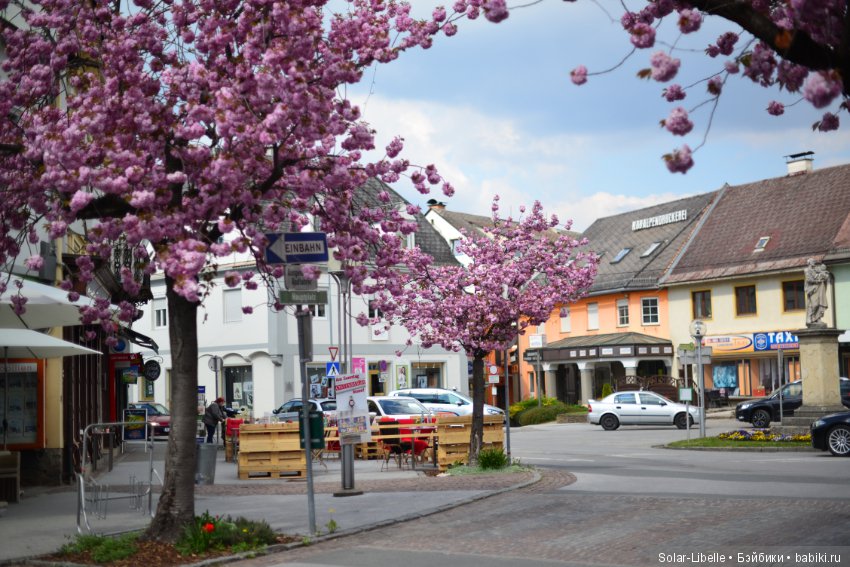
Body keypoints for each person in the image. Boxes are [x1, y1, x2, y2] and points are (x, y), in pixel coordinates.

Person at [804, 258, 829, 327]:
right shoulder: (807, 270)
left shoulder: (816, 269)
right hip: (812, 289)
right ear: (809, 263)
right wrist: (818, 280)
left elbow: (824, 274)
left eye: (814, 261)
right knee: (814, 304)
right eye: (812, 261)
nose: (814, 262)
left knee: (820, 303)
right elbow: (809, 280)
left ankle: (817, 318)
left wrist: (823, 274)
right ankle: (810, 317)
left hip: (820, 288)